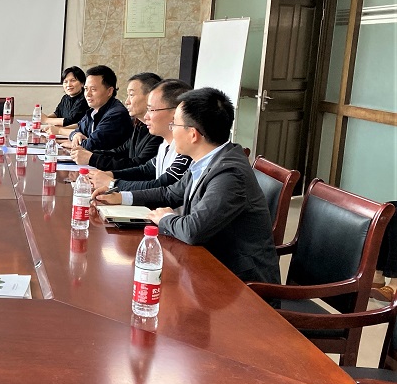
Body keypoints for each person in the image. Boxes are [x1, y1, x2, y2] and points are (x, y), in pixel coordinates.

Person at [95, 87, 280, 285]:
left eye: (174, 124)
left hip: (240, 282)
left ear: (193, 134)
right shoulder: (208, 158)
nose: (172, 130)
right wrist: (121, 196)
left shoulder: (229, 174)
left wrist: (165, 218)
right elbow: (169, 193)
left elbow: (193, 230)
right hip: (209, 265)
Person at [89, 79, 193, 195]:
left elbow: (163, 186)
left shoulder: (187, 149)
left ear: (176, 114)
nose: (146, 116)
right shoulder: (165, 144)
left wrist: (112, 183)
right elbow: (146, 170)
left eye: (151, 110)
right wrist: (111, 174)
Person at [70, 72, 163, 169]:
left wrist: (92, 158)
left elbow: (139, 166)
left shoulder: (159, 132)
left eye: (131, 95)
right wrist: (90, 154)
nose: (127, 102)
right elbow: (121, 151)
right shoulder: (140, 126)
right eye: (86, 89)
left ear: (151, 97)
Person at [59, 65, 133, 151]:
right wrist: (75, 135)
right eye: (86, 89)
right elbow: (78, 130)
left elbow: (91, 145)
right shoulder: (93, 111)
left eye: (93, 89)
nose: (87, 94)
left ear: (109, 91)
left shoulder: (116, 114)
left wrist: (73, 144)